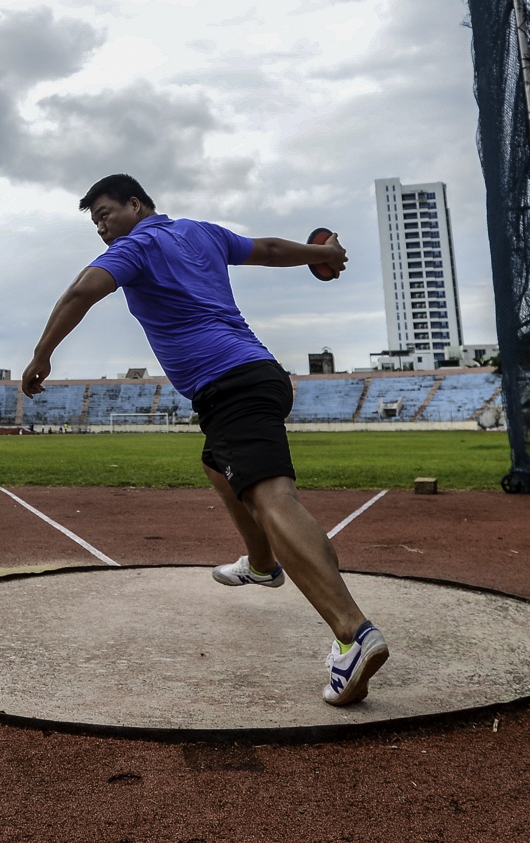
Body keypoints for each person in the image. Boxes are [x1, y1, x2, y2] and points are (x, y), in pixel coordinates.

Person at [22, 173, 388, 706]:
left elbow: (83, 291)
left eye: (106, 212)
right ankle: (262, 566)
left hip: (230, 382)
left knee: (271, 496)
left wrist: (41, 355)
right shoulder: (200, 232)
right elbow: (265, 248)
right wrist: (318, 253)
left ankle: (352, 633)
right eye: (95, 220)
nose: (102, 226)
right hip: (257, 375)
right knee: (218, 465)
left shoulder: (137, 244)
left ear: (137, 203)